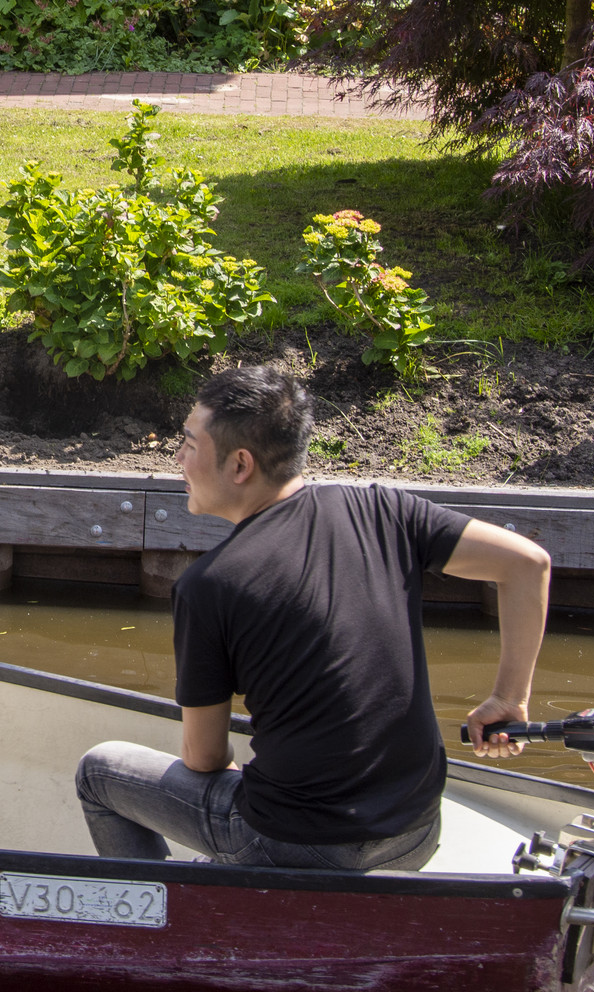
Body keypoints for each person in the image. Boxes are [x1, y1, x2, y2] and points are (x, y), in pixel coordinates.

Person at [76, 365, 551, 871]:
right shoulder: (383, 511)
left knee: (99, 772)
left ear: (240, 465)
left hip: (298, 847)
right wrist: (508, 698)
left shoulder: (208, 586)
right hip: (415, 831)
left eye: (190, 446)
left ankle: (168, 922)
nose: (178, 460)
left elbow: (205, 759)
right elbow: (528, 564)